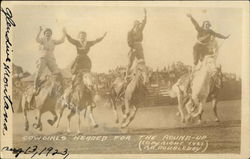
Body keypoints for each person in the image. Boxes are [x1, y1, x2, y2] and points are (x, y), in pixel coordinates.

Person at [64, 28, 107, 106]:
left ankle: (92, 96)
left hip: (86, 61)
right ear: (79, 37)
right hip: (79, 60)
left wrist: (102, 37)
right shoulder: (77, 42)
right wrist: (66, 34)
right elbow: (70, 40)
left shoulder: (88, 43)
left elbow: (96, 41)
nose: (82, 37)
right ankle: (71, 89)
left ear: (85, 37)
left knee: (88, 77)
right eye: (81, 36)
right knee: (75, 75)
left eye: (84, 36)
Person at [34, 26, 65, 94]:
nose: (48, 34)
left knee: (57, 73)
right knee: (39, 72)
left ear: (51, 34)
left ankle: (61, 89)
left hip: (51, 58)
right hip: (43, 57)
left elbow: (62, 41)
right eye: (46, 33)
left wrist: (64, 33)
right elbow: (36, 39)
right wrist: (39, 31)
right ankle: (35, 87)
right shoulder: (42, 40)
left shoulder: (53, 41)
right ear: (44, 34)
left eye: (49, 33)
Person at [125, 8, 147, 82]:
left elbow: (144, 23)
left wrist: (145, 14)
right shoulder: (130, 33)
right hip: (133, 47)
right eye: (137, 25)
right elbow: (128, 41)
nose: (139, 26)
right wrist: (132, 47)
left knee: (142, 62)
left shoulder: (140, 30)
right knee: (130, 63)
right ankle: (126, 76)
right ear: (134, 25)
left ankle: (143, 78)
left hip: (139, 47)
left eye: (139, 25)